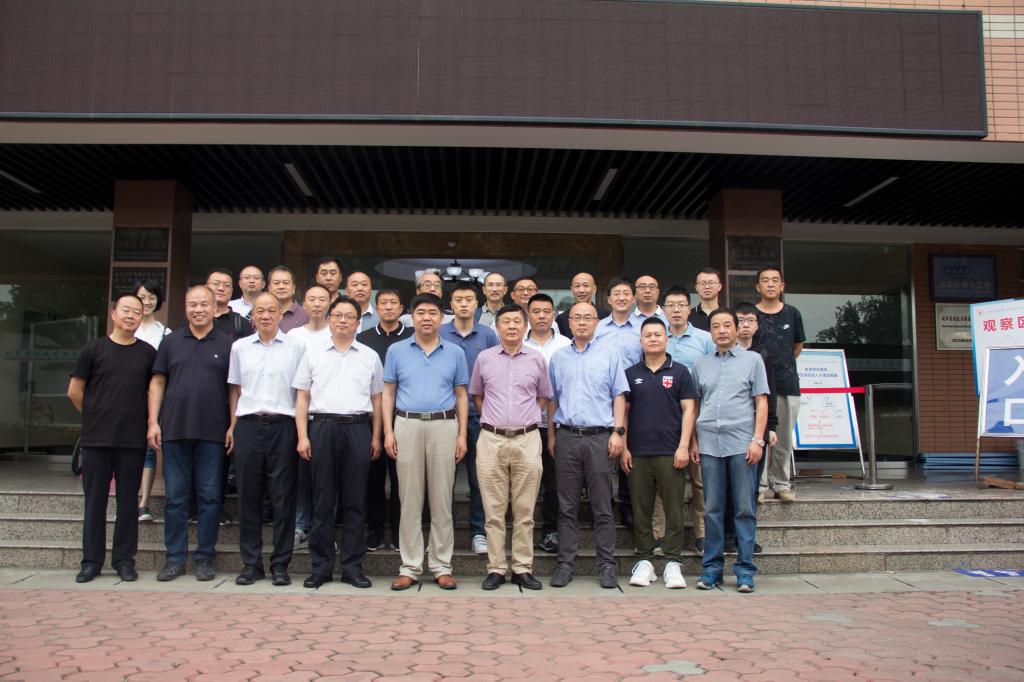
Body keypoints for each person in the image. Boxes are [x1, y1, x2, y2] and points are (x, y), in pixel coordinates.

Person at [294, 297, 383, 589]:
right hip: (322, 428)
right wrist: (303, 435)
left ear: (358, 323)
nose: (343, 321)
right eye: (338, 315)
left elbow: (377, 399)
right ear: (330, 319)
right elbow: (302, 397)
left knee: (355, 502)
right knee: (322, 501)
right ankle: (320, 568)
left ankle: (352, 567)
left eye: (349, 317)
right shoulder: (313, 354)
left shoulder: (369, 356)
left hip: (358, 428)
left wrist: (376, 435)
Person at [67, 294, 156, 583]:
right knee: (95, 502)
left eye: (136, 312)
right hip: (97, 439)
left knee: (128, 503)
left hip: (132, 439)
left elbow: (153, 391)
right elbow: (74, 391)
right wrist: (93, 414)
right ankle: (91, 562)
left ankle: (124, 560)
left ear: (141, 317)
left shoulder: (147, 353)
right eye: (126, 310)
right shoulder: (93, 350)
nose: (131, 316)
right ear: (113, 314)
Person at [383, 293, 469, 591]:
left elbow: (461, 395)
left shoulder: (455, 352)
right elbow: (388, 393)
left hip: (444, 426)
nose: (427, 318)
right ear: (412, 316)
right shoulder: (396, 350)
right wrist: (388, 431)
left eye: (432, 312)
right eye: (420, 312)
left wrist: (461, 434)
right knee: (409, 499)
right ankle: (410, 566)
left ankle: (442, 565)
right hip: (406, 424)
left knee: (442, 499)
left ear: (442, 317)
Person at [148, 285, 233, 582]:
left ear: (214, 308)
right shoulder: (170, 342)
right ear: (186, 307)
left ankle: (205, 556)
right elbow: (157, 383)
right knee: (175, 498)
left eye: (203, 304)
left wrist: (233, 424)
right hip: (175, 430)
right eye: (192, 305)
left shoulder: (227, 343)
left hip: (213, 432)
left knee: (210, 497)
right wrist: (153, 421)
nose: (198, 310)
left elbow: (234, 389)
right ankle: (174, 558)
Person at [226, 292, 306, 587]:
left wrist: (301, 433)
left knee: (284, 496)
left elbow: (302, 392)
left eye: (271, 310)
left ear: (280, 313)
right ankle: (251, 564)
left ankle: (281, 564)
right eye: (260, 310)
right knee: (248, 495)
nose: (265, 315)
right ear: (253, 315)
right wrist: (233, 425)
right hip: (248, 425)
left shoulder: (297, 347)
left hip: (284, 425)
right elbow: (235, 390)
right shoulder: (240, 348)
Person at [471, 304, 553, 591]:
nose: (512, 326)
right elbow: (478, 395)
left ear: (525, 325)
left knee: (524, 510)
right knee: (493, 510)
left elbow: (543, 397)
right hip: (491, 439)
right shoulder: (484, 358)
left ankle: (522, 568)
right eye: (506, 321)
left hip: (527, 439)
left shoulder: (537, 359)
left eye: (517, 321)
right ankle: (496, 568)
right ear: (497, 327)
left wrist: (523, 419)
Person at [547, 302, 629, 589]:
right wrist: (552, 436)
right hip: (567, 436)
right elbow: (552, 399)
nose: (582, 322)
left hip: (600, 437)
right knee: (566, 506)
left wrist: (618, 432)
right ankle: (565, 564)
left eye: (588, 318)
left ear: (597, 322)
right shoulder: (558, 357)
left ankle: (606, 564)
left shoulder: (610, 354)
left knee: (602, 505)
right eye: (577, 318)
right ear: (569, 322)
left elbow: (619, 395)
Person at [691, 308, 769, 593]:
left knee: (744, 508)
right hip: (709, 443)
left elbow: (761, 401)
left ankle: (745, 570)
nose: (722, 330)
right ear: (710, 332)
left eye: (727, 325)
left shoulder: (753, 360)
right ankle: (712, 570)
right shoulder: (701, 364)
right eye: (716, 326)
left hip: (742, 443)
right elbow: (695, 405)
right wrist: (693, 441)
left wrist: (757, 439)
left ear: (736, 329)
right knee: (712, 508)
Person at [620, 317, 697, 589]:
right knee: (641, 509)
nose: (653, 339)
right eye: (648, 335)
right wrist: (624, 447)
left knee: (674, 509)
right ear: (641, 340)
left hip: (671, 452)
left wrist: (683, 446)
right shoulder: (630, 373)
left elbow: (689, 410)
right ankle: (645, 560)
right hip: (637, 453)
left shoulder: (680, 372)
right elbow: (623, 413)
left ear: (666, 339)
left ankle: (673, 561)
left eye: (658, 334)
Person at [439, 282, 499, 556]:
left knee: (479, 479)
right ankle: (445, 533)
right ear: (451, 304)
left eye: (469, 299)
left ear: (477, 304)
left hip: (479, 417)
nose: (464, 304)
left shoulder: (488, 335)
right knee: (444, 481)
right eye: (458, 299)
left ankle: (478, 532)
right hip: (445, 417)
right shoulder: (440, 332)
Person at [357, 288, 413, 551]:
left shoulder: (412, 337)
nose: (389, 307)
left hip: (405, 416)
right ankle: (376, 530)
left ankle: (401, 530)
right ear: (376, 308)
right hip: (371, 417)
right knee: (373, 478)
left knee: (403, 479)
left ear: (401, 309)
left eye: (393, 303)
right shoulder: (363, 338)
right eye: (383, 303)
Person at [663, 284, 715, 551]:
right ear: (663, 309)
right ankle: (664, 534)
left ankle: (702, 532)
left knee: (699, 479)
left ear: (689, 309)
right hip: (664, 414)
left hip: (699, 414)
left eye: (681, 305)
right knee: (665, 478)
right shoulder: (657, 335)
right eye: (670, 305)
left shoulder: (705, 339)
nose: (676, 310)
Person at [724, 302, 779, 554]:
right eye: (741, 320)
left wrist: (771, 426)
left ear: (757, 325)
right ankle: (727, 535)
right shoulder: (723, 353)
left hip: (757, 428)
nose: (745, 325)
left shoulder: (762, 355)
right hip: (729, 428)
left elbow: (769, 394)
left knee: (752, 486)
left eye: (750, 320)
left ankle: (745, 538)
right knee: (727, 486)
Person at [522, 293, 570, 555]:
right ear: (528, 315)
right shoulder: (517, 342)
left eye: (546, 311)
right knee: (524, 481)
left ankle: (551, 530)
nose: (541, 316)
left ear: (554, 315)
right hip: (523, 425)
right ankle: (521, 532)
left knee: (554, 481)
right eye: (536, 311)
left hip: (557, 424)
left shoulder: (565, 345)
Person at [285, 284, 332, 548]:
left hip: (326, 411)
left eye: (322, 299)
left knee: (326, 477)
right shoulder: (294, 335)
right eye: (312, 299)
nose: (316, 304)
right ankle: (300, 524)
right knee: (301, 474)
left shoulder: (335, 332)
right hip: (298, 410)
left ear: (329, 303)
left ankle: (322, 527)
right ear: (304, 303)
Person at [594, 276, 642, 528]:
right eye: (617, 294)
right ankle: (604, 504)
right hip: (603, 396)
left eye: (626, 294)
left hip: (637, 394)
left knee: (628, 448)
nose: (622, 298)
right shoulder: (598, 328)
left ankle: (627, 503)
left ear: (633, 298)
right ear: (609, 299)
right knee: (603, 448)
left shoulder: (642, 328)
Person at [754, 266, 805, 502]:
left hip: (786, 384)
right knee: (760, 437)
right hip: (758, 387)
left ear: (782, 286)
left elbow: (797, 347)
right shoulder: (751, 314)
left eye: (775, 280)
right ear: (758, 287)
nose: (770, 284)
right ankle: (760, 485)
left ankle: (781, 484)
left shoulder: (792, 313)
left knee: (783, 438)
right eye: (765, 280)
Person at [132, 279, 172, 523]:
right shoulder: (127, 327)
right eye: (142, 297)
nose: (146, 302)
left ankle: (143, 502)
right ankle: (128, 498)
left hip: (153, 398)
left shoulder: (165, 334)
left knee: (150, 449)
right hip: (127, 398)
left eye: (152, 298)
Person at [556, 272, 610, 338]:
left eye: (586, 285)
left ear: (594, 289)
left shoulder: (607, 315)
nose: (581, 290)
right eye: (577, 286)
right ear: (572, 289)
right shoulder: (562, 318)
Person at [205, 268, 253, 340]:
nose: (221, 288)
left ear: (231, 291)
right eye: (216, 284)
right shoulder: (194, 318)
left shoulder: (242, 323)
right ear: (206, 288)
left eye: (226, 285)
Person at [267, 266, 309, 333]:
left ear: (294, 288)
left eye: (286, 283)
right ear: (269, 288)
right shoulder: (259, 315)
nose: (281, 287)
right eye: (276, 283)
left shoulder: (306, 315)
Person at [689, 268, 723, 332]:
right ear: (697, 288)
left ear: (719, 286)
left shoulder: (729, 315)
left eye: (711, 283)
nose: (707, 287)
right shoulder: (688, 316)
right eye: (702, 283)